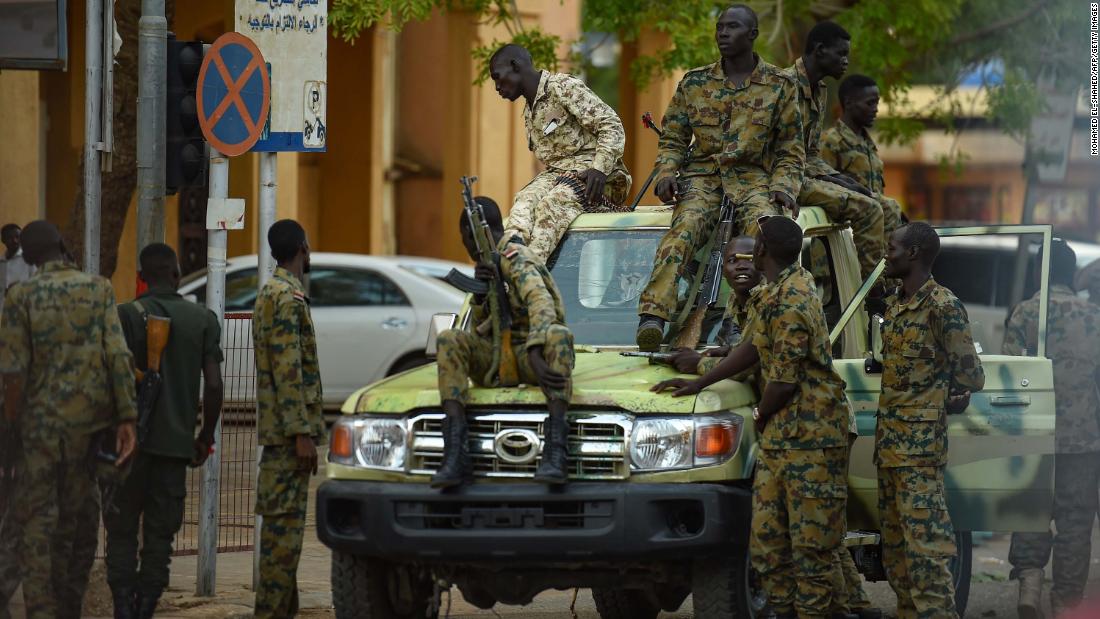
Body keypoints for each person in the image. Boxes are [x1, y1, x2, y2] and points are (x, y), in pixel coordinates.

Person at [653, 216, 851, 618]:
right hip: (784, 434)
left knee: (812, 548)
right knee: (767, 541)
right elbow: (752, 347)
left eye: (753, 247)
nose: (745, 258)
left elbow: (783, 379)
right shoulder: (776, 291)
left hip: (811, 434)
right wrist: (701, 379)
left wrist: (759, 411)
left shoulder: (792, 297)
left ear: (763, 252)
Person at [635, 4, 804, 351]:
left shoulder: (780, 84)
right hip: (702, 177)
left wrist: (785, 187)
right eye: (719, 27)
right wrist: (667, 171)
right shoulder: (695, 82)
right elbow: (673, 137)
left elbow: (790, 147)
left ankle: (744, 322)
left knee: (766, 236)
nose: (723, 33)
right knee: (683, 231)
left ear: (753, 35)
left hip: (753, 177)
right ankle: (654, 315)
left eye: (733, 27)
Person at [0, 220, 137, 618]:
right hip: (87, 432)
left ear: (26, 256)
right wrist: (127, 417)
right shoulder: (98, 289)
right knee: (77, 521)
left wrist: (12, 430)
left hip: (38, 432)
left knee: (37, 523)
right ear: (63, 244)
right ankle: (68, 607)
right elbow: (118, 355)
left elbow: (12, 373)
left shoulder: (20, 296)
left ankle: (41, 608)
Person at [106, 243, 224, 618]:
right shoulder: (202, 319)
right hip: (174, 449)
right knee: (159, 541)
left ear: (140, 277)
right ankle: (145, 610)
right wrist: (205, 437)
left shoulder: (124, 315)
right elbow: (216, 385)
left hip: (126, 449)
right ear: (176, 274)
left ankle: (124, 608)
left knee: (121, 534)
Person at [876, 222, 984, 619]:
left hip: (919, 455)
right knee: (898, 557)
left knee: (927, 556)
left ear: (915, 253)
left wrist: (947, 392)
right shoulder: (896, 304)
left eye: (892, 248)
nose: (887, 254)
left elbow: (972, 375)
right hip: (889, 450)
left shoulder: (942, 305)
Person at [434, 197, 574, 487]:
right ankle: (455, 453)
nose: (467, 246)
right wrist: (481, 296)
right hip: (498, 357)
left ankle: (556, 451)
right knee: (449, 339)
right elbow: (481, 330)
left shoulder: (514, 256)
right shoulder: (490, 263)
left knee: (559, 336)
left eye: (466, 239)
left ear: (476, 235)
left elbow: (542, 303)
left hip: (529, 360)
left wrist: (536, 350)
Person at [1004, 241, 1100, 619]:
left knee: (1031, 508)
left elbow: (1009, 371)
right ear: (1071, 274)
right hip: (1083, 436)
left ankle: (1029, 583)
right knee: (1076, 519)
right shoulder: (1093, 316)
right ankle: (1065, 602)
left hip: (1033, 433)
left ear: (1037, 272)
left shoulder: (1026, 313)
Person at [488, 44, 631, 261]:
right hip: (559, 175)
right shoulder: (529, 111)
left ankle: (531, 270)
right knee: (524, 201)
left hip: (598, 178)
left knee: (552, 204)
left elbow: (610, 124)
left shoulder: (561, 87)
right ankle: (511, 259)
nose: (497, 86)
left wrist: (599, 169)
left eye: (498, 77)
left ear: (515, 66)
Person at [252, 219, 325, 618]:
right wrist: (301, 433)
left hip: (282, 436)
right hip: (285, 441)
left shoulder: (274, 293)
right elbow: (287, 368)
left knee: (286, 547)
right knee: (282, 548)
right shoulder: (285, 297)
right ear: (302, 247)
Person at [784, 22, 884, 283]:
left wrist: (843, 181)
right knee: (869, 209)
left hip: (802, 173)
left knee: (883, 204)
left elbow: (812, 155)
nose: (845, 61)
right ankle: (873, 292)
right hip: (783, 179)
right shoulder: (783, 86)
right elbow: (776, 154)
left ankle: (888, 287)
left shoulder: (820, 90)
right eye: (841, 54)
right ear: (819, 50)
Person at [821, 74, 905, 240]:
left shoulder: (867, 143)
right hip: (845, 238)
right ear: (849, 103)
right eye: (869, 103)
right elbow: (822, 189)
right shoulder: (831, 141)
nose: (875, 109)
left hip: (876, 235)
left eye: (876, 103)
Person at [666, 235, 762, 376]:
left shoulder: (771, 303)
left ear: (763, 264)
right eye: (732, 260)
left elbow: (750, 365)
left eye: (750, 259)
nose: (741, 266)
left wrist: (699, 364)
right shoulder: (737, 296)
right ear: (723, 269)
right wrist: (729, 350)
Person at [0, 224, 34, 314]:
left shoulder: (29, 259)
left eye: (18, 237)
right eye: (9, 238)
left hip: (22, 310)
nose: (15, 241)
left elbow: (36, 284)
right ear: (3, 240)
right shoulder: (1, 261)